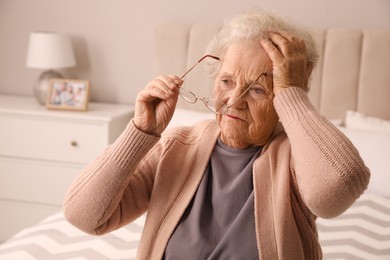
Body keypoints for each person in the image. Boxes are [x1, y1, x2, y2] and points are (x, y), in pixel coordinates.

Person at [63, 9, 370, 259]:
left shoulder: (297, 157)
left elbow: (337, 190)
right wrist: (140, 132)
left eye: (259, 89)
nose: (234, 100)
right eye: (226, 81)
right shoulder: (176, 147)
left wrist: (292, 93)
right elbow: (83, 216)